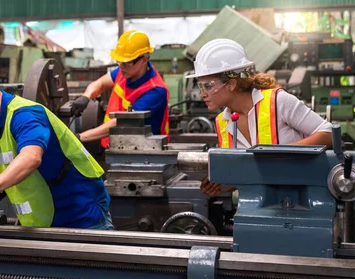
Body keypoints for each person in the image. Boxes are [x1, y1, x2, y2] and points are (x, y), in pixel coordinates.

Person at [0, 56, 113, 229]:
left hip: (83, 217)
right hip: (48, 222)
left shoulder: (25, 115)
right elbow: (18, 166)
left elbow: (31, 157)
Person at [186, 39, 333, 197]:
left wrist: (283, 155)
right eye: (200, 86)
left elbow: (329, 133)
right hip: (256, 206)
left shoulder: (278, 101)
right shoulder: (223, 122)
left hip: (301, 199)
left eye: (207, 86)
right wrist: (222, 185)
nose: (202, 94)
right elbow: (244, 175)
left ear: (231, 84)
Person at [70, 30, 169, 148]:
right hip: (118, 146)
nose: (121, 66)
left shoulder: (156, 90)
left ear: (144, 60)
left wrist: (80, 137)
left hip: (145, 152)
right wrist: (85, 97)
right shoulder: (124, 72)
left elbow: (123, 123)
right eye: (119, 61)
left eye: (126, 62)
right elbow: (101, 84)